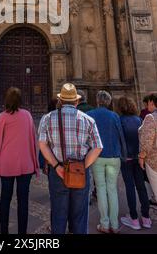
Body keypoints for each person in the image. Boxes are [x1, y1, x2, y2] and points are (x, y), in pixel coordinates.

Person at [39, 83, 103, 234]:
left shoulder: (47, 118)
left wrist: (56, 166)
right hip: (80, 172)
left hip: (58, 171)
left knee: (58, 214)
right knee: (80, 215)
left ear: (60, 101)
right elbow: (98, 147)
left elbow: (42, 144)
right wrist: (82, 166)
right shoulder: (88, 120)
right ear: (76, 101)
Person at [0, 87, 39, 234]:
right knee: (23, 201)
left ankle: (4, 232)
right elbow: (33, 140)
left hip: (7, 165)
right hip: (26, 165)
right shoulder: (27, 115)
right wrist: (35, 165)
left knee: (5, 199)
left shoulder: (3, 117)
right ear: (20, 100)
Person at [88, 91, 127, 234]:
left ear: (97, 101)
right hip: (114, 157)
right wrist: (124, 155)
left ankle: (104, 223)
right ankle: (115, 225)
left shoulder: (91, 115)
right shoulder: (114, 116)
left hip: (97, 156)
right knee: (112, 190)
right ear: (109, 102)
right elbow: (121, 137)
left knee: (101, 189)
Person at [117, 97, 151, 230]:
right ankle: (146, 218)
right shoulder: (139, 120)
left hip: (126, 159)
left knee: (130, 187)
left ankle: (134, 219)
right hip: (139, 158)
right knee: (141, 187)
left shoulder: (120, 121)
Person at [139, 92, 157, 234]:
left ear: (152, 103)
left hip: (155, 163)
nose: (146, 105)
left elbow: (146, 142)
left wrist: (141, 157)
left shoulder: (151, 117)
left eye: (148, 102)